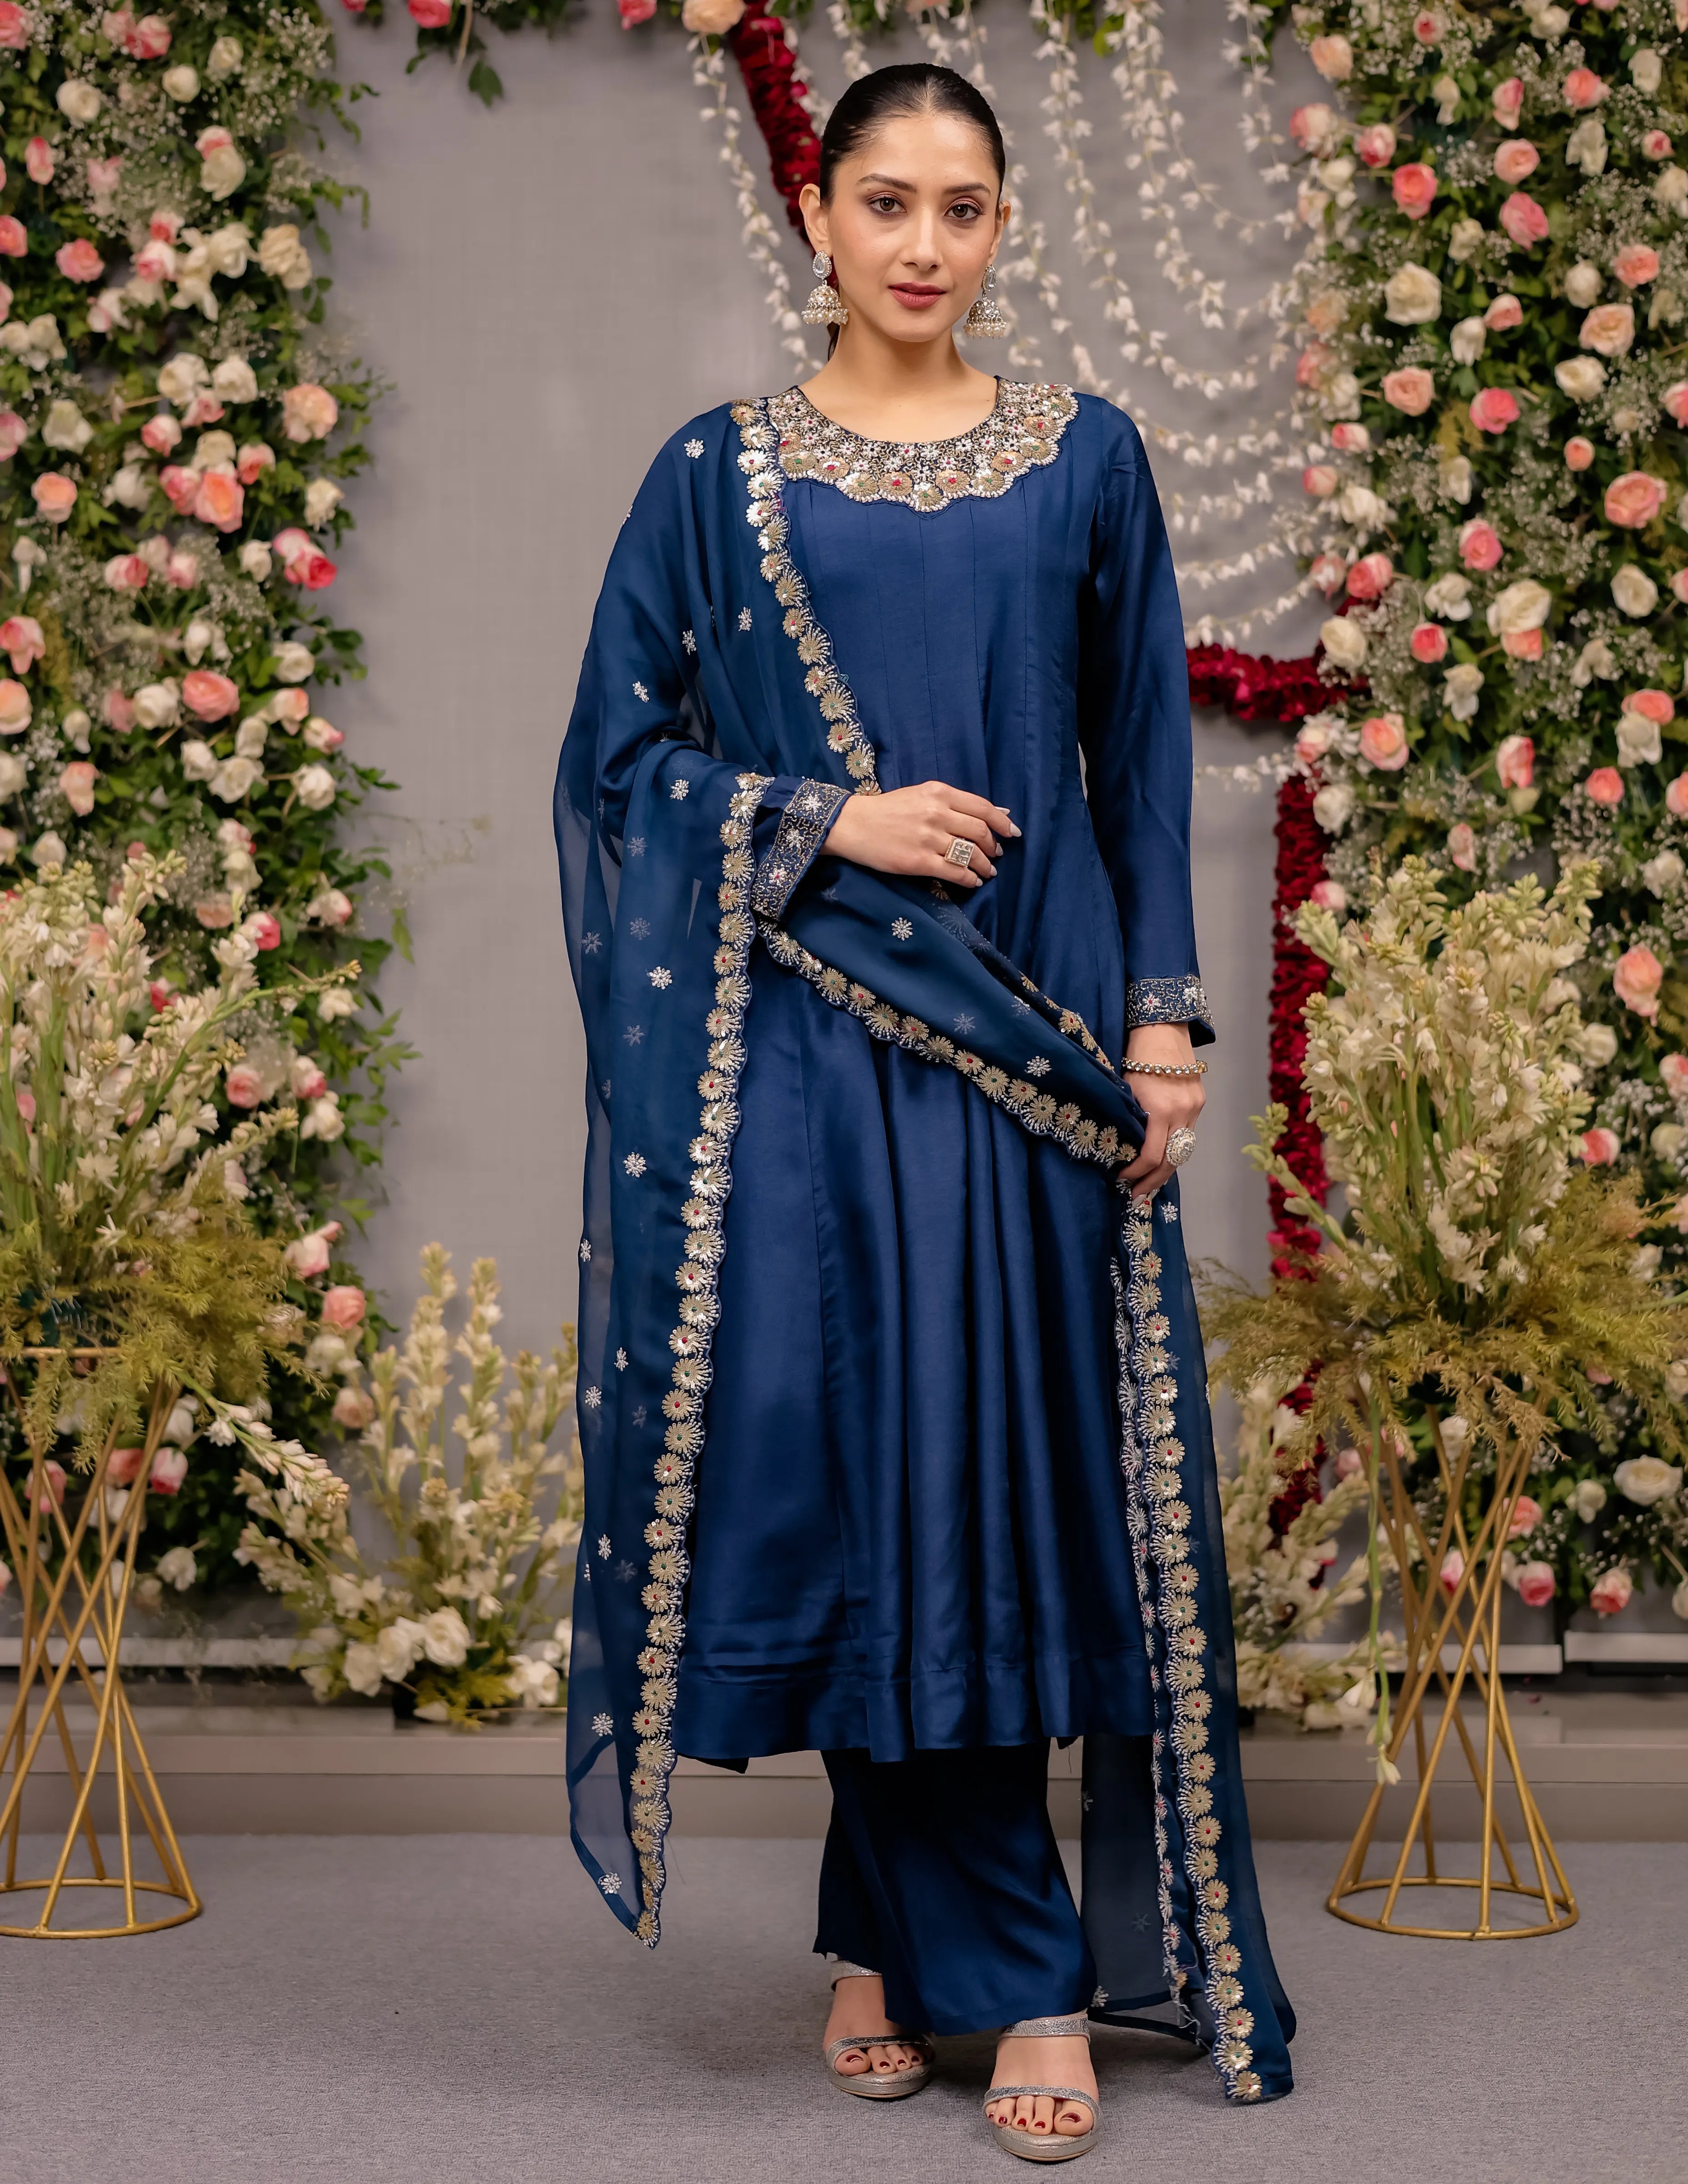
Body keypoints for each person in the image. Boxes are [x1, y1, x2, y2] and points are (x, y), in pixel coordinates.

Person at [554, 61, 1295, 2159]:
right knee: (878, 1470)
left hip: (1032, 1035)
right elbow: (617, 775)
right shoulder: (722, 475)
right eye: (883, 201)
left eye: (959, 209)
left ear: (999, 229)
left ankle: (890, 1927)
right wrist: (826, 818)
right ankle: (1020, 1974)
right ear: (814, 207)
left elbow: (1137, 758)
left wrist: (1158, 1030)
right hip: (805, 1044)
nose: (918, 246)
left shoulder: (1084, 463)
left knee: (1008, 1474)